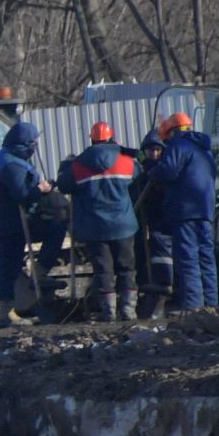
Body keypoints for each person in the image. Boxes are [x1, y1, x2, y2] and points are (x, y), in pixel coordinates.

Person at [55, 122, 138, 320]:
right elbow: (139, 175)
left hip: (95, 227)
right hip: (123, 225)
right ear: (111, 138)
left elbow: (64, 185)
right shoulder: (125, 161)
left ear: (92, 139)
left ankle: (108, 313)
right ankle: (128, 310)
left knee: (103, 270)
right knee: (127, 267)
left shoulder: (78, 165)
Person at [0, 122, 56, 325]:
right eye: (35, 142)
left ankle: (39, 273)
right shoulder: (10, 164)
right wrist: (40, 189)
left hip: (12, 221)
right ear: (26, 143)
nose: (37, 145)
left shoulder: (8, 158)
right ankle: (4, 314)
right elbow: (20, 195)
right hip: (8, 224)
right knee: (8, 267)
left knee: (54, 229)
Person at [149, 111, 218, 312]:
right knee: (206, 255)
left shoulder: (177, 145)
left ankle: (194, 307)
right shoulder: (204, 149)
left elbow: (168, 171)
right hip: (204, 210)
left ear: (171, 132)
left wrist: (154, 170)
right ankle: (211, 304)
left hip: (184, 210)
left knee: (188, 257)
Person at [131, 133, 174, 313]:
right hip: (147, 222)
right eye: (150, 151)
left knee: (163, 254)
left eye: (157, 150)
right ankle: (151, 287)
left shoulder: (165, 173)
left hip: (166, 222)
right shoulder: (141, 176)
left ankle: (165, 287)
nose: (154, 154)